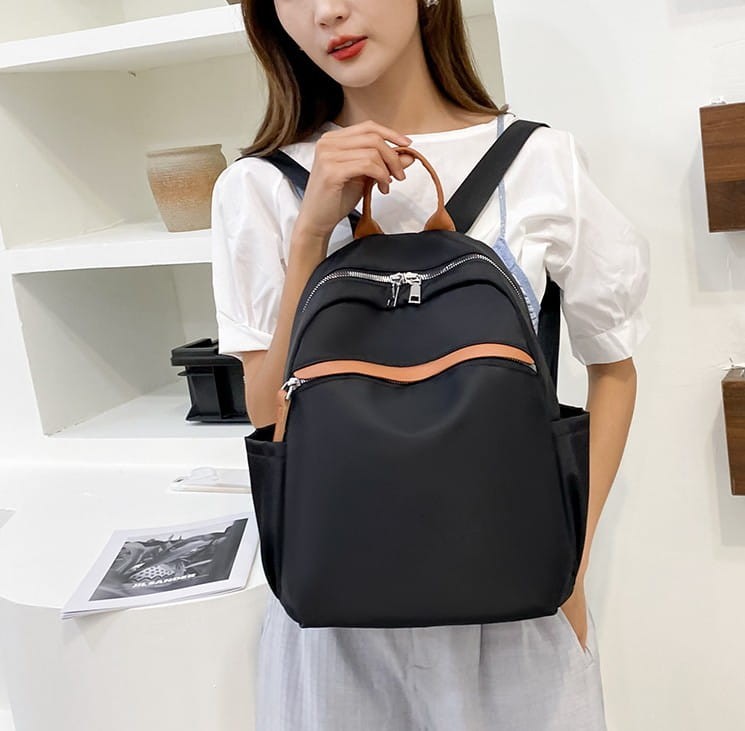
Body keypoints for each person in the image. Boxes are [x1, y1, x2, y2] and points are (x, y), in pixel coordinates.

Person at [209, 0, 651, 728]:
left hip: (515, 609)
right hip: (333, 625)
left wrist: (571, 565)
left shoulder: (538, 161)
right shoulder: (257, 187)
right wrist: (310, 234)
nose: (328, 11)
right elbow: (268, 413)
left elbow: (614, 367)